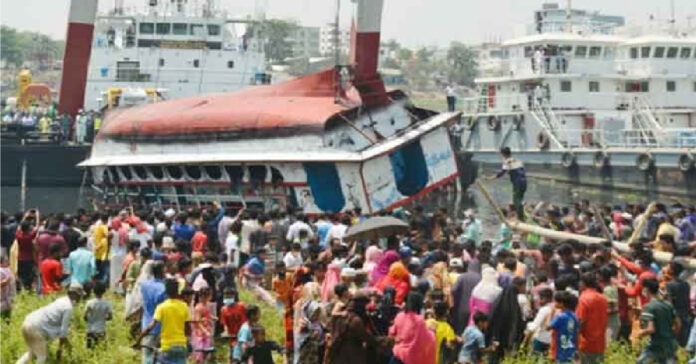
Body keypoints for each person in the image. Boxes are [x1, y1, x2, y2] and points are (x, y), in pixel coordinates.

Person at [17, 284, 84, 364]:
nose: (80, 298)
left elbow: (62, 333)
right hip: (35, 328)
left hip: (28, 322)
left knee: (31, 354)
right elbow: (63, 332)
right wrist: (60, 349)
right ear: (73, 294)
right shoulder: (68, 308)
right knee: (42, 357)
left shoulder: (62, 300)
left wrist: (67, 345)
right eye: (79, 295)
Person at [135, 278, 190, 364]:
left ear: (166, 291)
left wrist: (138, 340)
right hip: (181, 346)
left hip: (167, 346)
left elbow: (150, 327)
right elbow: (188, 329)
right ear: (178, 291)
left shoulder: (162, 307)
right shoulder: (184, 306)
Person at [636, 277, 680, 364]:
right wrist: (671, 335)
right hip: (669, 344)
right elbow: (678, 324)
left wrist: (638, 335)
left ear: (646, 289)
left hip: (656, 345)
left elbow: (650, 329)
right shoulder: (668, 305)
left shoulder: (649, 307)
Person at [389, 292, 436, 364]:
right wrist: (432, 331)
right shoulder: (419, 320)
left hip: (397, 356)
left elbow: (392, 332)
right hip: (411, 358)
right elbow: (426, 339)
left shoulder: (399, 316)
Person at [486, 147, 527, 220]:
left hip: (517, 183)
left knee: (516, 200)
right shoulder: (517, 160)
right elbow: (521, 170)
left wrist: (490, 178)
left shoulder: (507, 161)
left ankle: (521, 218)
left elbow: (501, 173)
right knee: (519, 199)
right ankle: (520, 216)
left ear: (503, 154)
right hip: (524, 182)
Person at [575, 272, 608, 364]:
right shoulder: (603, 298)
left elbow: (580, 322)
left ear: (583, 283)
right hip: (600, 343)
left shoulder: (583, 299)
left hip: (586, 343)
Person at [139, 261, 167, 364]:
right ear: (162, 271)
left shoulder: (144, 285)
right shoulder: (164, 288)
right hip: (160, 326)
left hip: (146, 324)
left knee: (147, 356)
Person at [549, 291, 579, 364]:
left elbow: (548, 327)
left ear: (561, 303)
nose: (554, 303)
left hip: (561, 351)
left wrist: (551, 313)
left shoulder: (560, 317)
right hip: (572, 348)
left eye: (556, 301)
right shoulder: (574, 316)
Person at [524, 288, 554, 356]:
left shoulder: (544, 310)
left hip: (541, 339)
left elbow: (534, 326)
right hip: (552, 340)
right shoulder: (556, 308)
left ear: (545, 298)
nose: (539, 301)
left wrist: (525, 340)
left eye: (540, 299)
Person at [84, 281, 112, 349]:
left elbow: (85, 317)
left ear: (93, 291)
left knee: (89, 349)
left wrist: (90, 319)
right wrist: (103, 318)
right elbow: (110, 317)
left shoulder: (89, 303)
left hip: (90, 329)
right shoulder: (107, 303)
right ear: (104, 291)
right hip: (101, 329)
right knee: (102, 348)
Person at [191, 287, 215, 364]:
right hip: (199, 334)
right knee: (199, 355)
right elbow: (198, 321)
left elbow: (207, 314)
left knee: (206, 353)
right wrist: (204, 331)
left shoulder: (207, 305)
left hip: (206, 333)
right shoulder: (198, 307)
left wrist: (212, 317)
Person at [0, 254, 16, 320]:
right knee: (2, 316)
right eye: (6, 261)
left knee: (8, 316)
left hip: (9, 298)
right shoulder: (0, 271)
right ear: (1, 263)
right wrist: (6, 281)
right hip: (2, 299)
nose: (8, 262)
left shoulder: (8, 269)